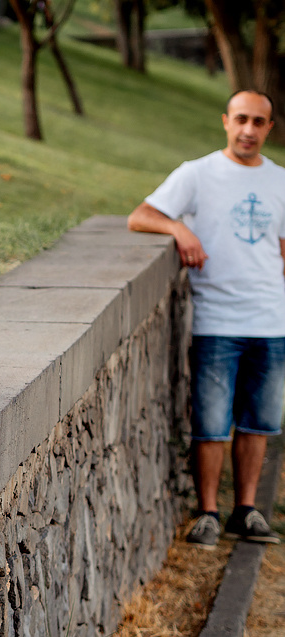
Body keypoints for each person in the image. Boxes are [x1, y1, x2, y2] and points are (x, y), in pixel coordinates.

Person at [127, 90, 285, 549]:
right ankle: (209, 512)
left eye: (259, 122)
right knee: (212, 423)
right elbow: (141, 216)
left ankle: (247, 511)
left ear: (269, 128)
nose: (249, 130)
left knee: (259, 423)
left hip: (271, 322)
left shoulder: (280, 181)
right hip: (218, 320)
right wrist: (178, 227)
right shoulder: (198, 174)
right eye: (241, 120)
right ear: (226, 121)